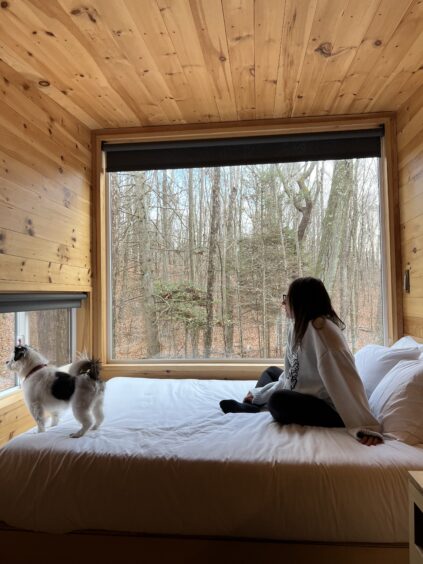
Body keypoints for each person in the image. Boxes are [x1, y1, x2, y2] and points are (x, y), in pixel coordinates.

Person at [220, 277, 383, 446]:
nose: (283, 303)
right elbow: (290, 375)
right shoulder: (298, 326)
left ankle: (257, 404)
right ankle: (252, 406)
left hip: (328, 406)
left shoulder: (324, 334)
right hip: (306, 390)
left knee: (278, 400)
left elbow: (347, 380)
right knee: (271, 372)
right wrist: (259, 395)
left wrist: (365, 426)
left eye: (287, 298)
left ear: (301, 301)